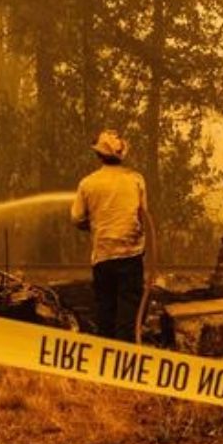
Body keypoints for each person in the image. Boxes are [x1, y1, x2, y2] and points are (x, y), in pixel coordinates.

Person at [71, 130, 148, 342]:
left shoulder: (87, 183)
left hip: (103, 256)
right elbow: (142, 216)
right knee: (128, 311)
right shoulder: (136, 180)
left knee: (105, 307)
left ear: (98, 155)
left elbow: (77, 218)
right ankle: (125, 356)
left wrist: (95, 226)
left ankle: (104, 356)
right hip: (131, 255)